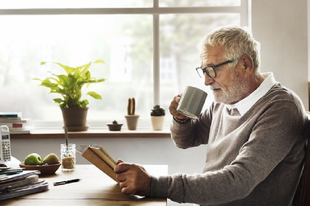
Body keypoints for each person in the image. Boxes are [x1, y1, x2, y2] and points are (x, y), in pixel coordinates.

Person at [114, 26, 309, 205]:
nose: (207, 81)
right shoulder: (226, 100)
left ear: (245, 64)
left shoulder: (281, 108)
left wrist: (152, 184)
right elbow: (187, 139)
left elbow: (238, 181)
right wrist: (181, 119)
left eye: (213, 70)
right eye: (204, 71)